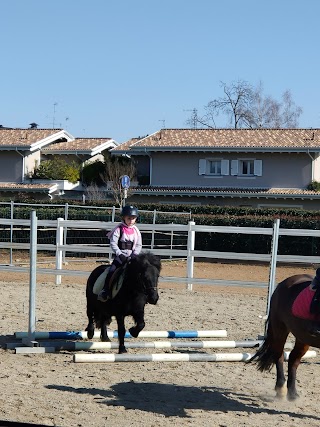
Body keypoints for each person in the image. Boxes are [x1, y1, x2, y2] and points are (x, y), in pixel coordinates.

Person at [97, 205, 142, 302]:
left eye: (133, 218)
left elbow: (138, 245)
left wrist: (134, 255)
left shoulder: (136, 231)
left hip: (132, 257)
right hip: (120, 256)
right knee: (112, 270)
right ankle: (106, 290)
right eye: (128, 218)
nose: (131, 220)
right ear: (123, 218)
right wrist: (119, 254)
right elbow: (113, 243)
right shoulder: (119, 229)